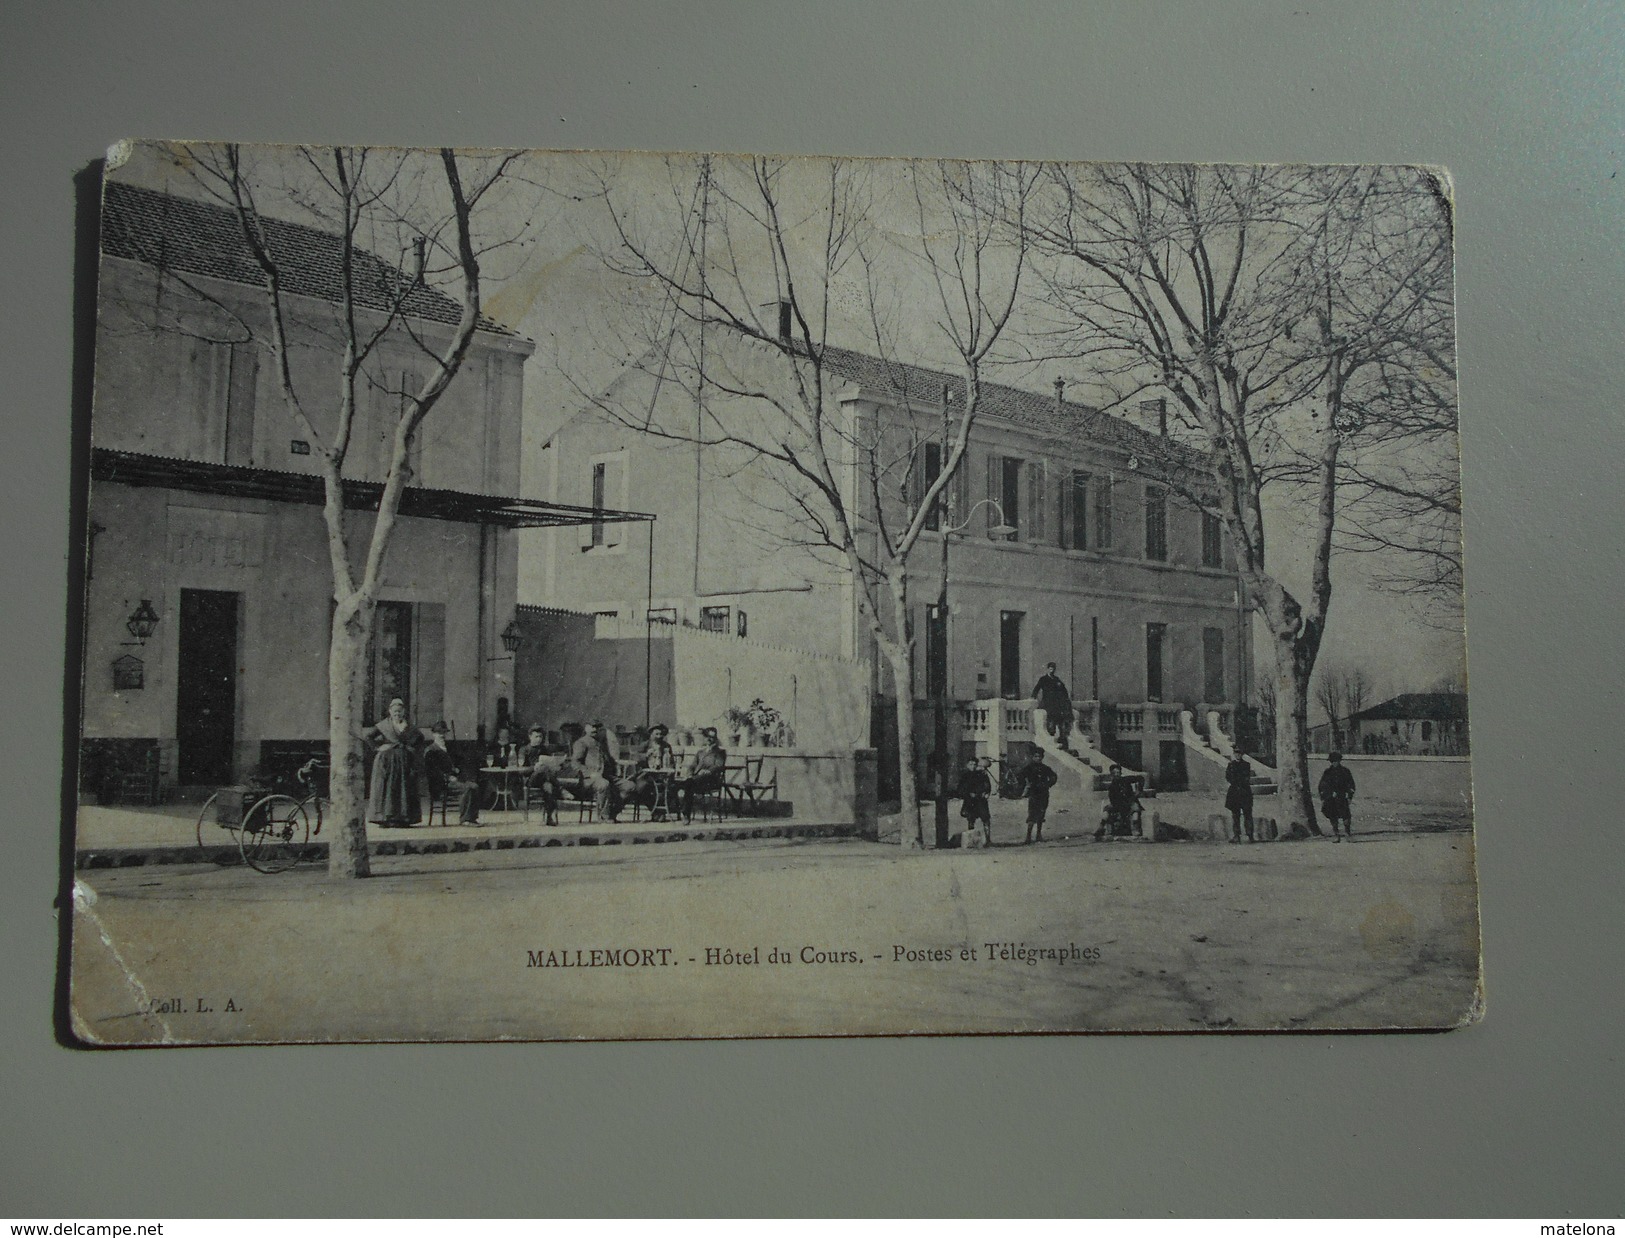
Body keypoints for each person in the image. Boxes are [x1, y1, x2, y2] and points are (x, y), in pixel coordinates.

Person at [367, 697, 425, 828]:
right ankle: (386, 818)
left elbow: (420, 738)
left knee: (404, 788)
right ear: (390, 711)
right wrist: (378, 748)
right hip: (387, 761)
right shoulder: (384, 725)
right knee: (388, 788)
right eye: (394, 711)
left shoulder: (408, 726)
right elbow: (368, 737)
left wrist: (412, 749)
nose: (397, 714)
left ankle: (403, 818)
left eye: (399, 711)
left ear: (403, 712)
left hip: (405, 761)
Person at [565, 719, 628, 822]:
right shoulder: (581, 742)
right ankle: (604, 817)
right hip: (589, 779)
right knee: (604, 784)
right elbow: (575, 763)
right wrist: (590, 773)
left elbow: (607, 760)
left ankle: (612, 812)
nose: (595, 729)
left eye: (597, 727)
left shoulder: (601, 742)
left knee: (630, 787)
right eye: (592, 726)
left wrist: (615, 768)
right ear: (586, 728)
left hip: (605, 775)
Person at [424, 721, 480, 825]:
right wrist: (447, 777)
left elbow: (455, 764)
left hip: (452, 781)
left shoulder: (448, 748)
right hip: (440, 785)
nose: (442, 735)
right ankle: (465, 819)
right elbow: (433, 771)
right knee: (467, 788)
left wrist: (456, 769)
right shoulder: (430, 750)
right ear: (433, 734)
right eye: (439, 733)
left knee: (474, 786)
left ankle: (472, 818)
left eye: (444, 733)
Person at [679, 727, 728, 824]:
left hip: (711, 781)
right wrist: (689, 773)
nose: (709, 739)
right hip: (696, 780)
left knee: (688, 784)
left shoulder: (720, 752)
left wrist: (708, 771)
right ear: (704, 738)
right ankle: (684, 812)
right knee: (685, 783)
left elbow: (718, 765)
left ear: (716, 738)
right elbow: (692, 766)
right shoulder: (700, 752)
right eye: (707, 737)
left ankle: (685, 813)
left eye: (712, 737)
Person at [634, 723, 679, 821]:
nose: (659, 737)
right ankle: (655, 811)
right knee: (642, 787)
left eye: (661, 734)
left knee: (666, 787)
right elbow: (636, 759)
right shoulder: (645, 745)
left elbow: (671, 762)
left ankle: (661, 812)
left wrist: (669, 771)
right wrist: (645, 755)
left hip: (662, 775)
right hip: (646, 775)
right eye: (656, 734)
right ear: (651, 734)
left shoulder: (666, 746)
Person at [521, 725, 564, 825]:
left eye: (540, 737)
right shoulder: (524, 750)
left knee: (549, 786)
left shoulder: (543, 749)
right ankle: (561, 789)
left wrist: (556, 764)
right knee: (542, 769)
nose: (539, 739)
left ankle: (549, 817)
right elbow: (521, 770)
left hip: (544, 779)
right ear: (530, 737)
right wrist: (534, 767)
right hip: (530, 779)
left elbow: (549, 764)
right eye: (536, 737)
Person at [1031, 662, 1074, 751]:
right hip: (1047, 704)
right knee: (1050, 722)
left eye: (1053, 668)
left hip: (1057, 705)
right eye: (1050, 668)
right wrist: (1033, 697)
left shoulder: (1057, 680)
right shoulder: (1043, 679)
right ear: (1047, 669)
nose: (1052, 670)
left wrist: (1065, 700)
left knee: (1059, 722)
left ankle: (1061, 742)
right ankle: (1052, 739)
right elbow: (1037, 688)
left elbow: (1064, 691)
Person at [1019, 749, 1058, 844]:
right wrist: (1027, 785)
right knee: (1032, 814)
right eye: (1036, 756)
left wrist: (1048, 784)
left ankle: (1038, 835)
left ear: (1042, 758)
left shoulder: (1045, 768)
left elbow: (1054, 776)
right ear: (1033, 757)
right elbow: (1020, 776)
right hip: (1034, 794)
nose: (1038, 758)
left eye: (1039, 757)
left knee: (1041, 814)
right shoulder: (1028, 768)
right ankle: (1028, 837)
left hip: (1044, 793)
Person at [954, 756, 993, 848]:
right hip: (970, 801)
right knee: (971, 819)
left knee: (986, 819)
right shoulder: (964, 776)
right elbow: (960, 789)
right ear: (967, 765)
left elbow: (987, 785)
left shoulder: (982, 774)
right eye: (971, 764)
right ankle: (972, 840)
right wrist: (968, 794)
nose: (973, 766)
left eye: (975, 764)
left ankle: (988, 839)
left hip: (981, 801)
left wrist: (986, 793)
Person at [1096, 763, 1142, 839]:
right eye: (1114, 773)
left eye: (1118, 773)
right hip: (1119, 805)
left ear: (1121, 773)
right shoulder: (1112, 787)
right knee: (1107, 809)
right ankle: (1101, 828)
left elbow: (1140, 778)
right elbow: (1113, 801)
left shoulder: (1126, 780)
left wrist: (1139, 790)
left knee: (1136, 809)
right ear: (1111, 775)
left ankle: (1136, 829)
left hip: (1130, 802)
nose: (1117, 775)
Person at [1319, 751, 1357, 841]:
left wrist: (1349, 795)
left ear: (1339, 761)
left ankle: (1348, 833)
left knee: (1346, 815)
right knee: (1333, 815)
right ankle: (1336, 834)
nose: (1334, 763)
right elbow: (1322, 785)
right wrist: (1327, 794)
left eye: (1336, 761)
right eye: (1332, 761)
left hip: (1342, 796)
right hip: (1331, 798)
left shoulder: (1345, 771)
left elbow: (1351, 784)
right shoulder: (1327, 772)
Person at [1224, 752, 1255, 843]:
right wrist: (1235, 782)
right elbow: (1228, 776)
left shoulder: (1246, 765)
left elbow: (1246, 777)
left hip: (1245, 792)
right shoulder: (1231, 765)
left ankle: (1250, 835)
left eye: (1239, 754)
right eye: (1236, 753)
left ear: (1242, 755)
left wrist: (1240, 783)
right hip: (1234, 792)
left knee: (1248, 814)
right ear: (1234, 754)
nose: (1238, 755)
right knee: (1235, 815)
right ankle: (1236, 835)